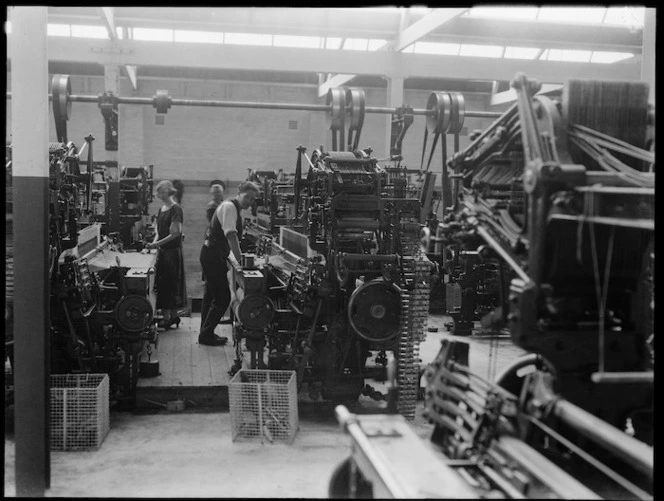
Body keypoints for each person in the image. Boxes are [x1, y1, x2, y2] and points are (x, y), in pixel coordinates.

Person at [198, 181, 259, 346]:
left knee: (210, 295)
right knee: (223, 297)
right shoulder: (230, 208)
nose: (249, 201)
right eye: (247, 197)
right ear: (239, 192)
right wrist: (240, 261)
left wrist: (234, 257)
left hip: (212, 254)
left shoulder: (233, 208)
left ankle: (205, 332)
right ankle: (206, 334)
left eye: (253, 199)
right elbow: (231, 235)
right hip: (212, 256)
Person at [146, 180, 187, 330]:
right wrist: (154, 243)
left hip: (172, 253)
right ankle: (169, 317)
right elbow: (158, 231)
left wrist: (157, 244)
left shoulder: (175, 209)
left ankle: (171, 317)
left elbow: (175, 233)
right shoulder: (162, 209)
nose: (160, 195)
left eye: (163, 192)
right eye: (158, 192)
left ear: (170, 191)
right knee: (164, 285)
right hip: (163, 252)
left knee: (172, 284)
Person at [201, 179, 226, 323]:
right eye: (215, 193)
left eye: (219, 192)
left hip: (214, 247)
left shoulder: (221, 205)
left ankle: (206, 324)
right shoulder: (213, 207)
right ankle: (206, 324)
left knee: (210, 292)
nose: (217, 195)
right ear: (212, 194)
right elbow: (220, 227)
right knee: (211, 292)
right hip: (213, 248)